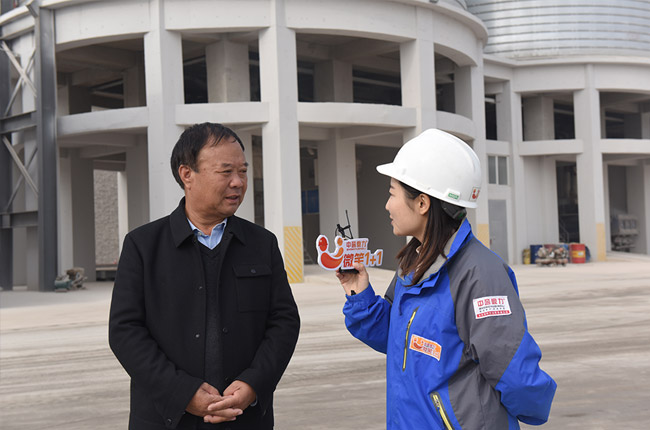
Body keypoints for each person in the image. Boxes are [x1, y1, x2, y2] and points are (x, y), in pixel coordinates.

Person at [337, 129, 556, 429]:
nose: (387, 205)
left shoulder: (480, 275)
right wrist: (358, 293)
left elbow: (516, 376)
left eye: (392, 193)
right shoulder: (414, 263)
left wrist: (532, 406)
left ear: (422, 203)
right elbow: (397, 336)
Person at [109, 123, 300, 430]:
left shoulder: (262, 244)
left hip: (244, 417)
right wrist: (182, 393)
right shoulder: (143, 246)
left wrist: (253, 384)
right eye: (226, 172)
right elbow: (125, 331)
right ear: (187, 175)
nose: (238, 182)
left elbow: (284, 321)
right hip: (166, 419)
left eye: (243, 171)